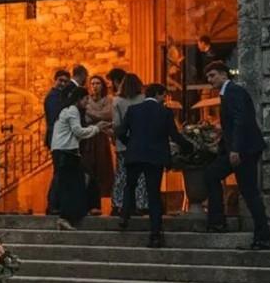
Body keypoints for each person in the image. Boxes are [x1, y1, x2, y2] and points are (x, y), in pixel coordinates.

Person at [203, 61, 270, 249]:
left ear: (224, 75)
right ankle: (217, 222)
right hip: (239, 149)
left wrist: (235, 149)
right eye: (208, 77)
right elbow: (233, 124)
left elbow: (240, 121)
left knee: (249, 192)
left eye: (212, 75)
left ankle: (263, 237)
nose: (209, 80)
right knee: (212, 175)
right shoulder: (229, 93)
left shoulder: (233, 91)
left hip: (243, 150)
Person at [117, 83, 192, 248]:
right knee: (153, 194)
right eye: (163, 95)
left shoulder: (133, 110)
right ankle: (155, 234)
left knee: (130, 185)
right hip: (155, 157)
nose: (164, 99)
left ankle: (124, 216)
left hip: (135, 154)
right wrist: (189, 146)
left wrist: (131, 144)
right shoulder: (165, 112)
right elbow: (174, 135)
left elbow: (121, 132)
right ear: (158, 94)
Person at [51, 84, 109, 230]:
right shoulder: (72, 111)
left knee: (77, 182)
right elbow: (79, 132)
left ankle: (73, 214)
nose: (87, 102)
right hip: (66, 152)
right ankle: (65, 216)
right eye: (85, 99)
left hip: (66, 152)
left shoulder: (69, 111)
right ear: (78, 99)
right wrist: (97, 128)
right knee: (72, 185)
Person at [111, 71, 149, 217]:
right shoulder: (144, 99)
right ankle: (140, 204)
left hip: (123, 143)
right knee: (141, 175)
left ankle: (118, 204)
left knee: (121, 174)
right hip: (141, 142)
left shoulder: (117, 101)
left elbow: (117, 123)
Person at [79, 74, 115, 212]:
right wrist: (97, 118)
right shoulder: (86, 101)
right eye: (92, 83)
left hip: (102, 137)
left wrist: (93, 115)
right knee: (89, 168)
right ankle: (89, 203)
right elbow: (86, 118)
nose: (94, 86)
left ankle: (98, 203)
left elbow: (108, 114)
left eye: (98, 83)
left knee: (102, 168)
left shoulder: (108, 100)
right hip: (88, 137)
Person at [43, 69, 71, 214]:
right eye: (60, 80)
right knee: (59, 172)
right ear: (55, 80)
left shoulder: (60, 96)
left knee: (61, 172)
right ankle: (53, 204)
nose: (62, 84)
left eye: (65, 81)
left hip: (59, 139)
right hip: (56, 139)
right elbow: (56, 118)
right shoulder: (53, 97)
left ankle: (58, 203)